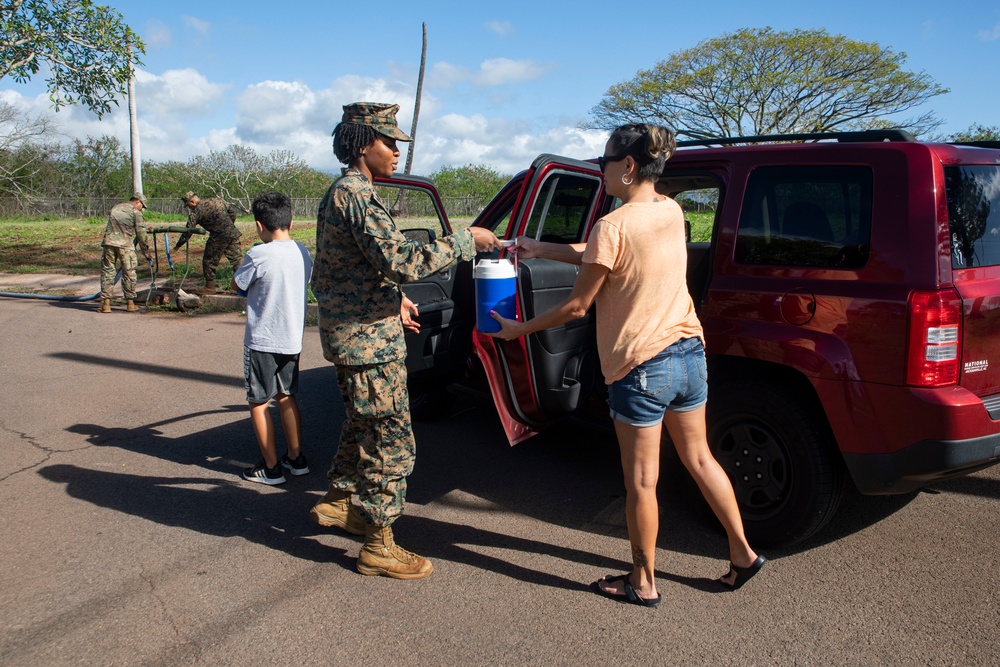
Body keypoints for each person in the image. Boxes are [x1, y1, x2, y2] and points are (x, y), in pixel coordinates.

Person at [490, 123, 764, 607]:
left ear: (629, 166)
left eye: (604, 163)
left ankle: (643, 582)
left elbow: (577, 306)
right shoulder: (671, 210)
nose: (601, 170)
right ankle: (743, 554)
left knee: (642, 481)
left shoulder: (612, 224)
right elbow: (606, 256)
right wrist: (539, 248)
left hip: (641, 368)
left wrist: (518, 331)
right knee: (701, 459)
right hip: (689, 356)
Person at [310, 102, 499, 579]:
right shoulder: (356, 194)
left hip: (357, 333)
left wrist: (393, 299)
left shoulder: (345, 193)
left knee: (361, 425)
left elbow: (349, 268)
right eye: (389, 142)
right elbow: (399, 260)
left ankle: (339, 502)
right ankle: (377, 543)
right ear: (362, 143)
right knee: (391, 441)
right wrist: (464, 241)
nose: (396, 152)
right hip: (367, 344)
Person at [231, 190, 314, 486]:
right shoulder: (302, 252)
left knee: (258, 402)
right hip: (292, 340)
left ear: (258, 225)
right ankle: (296, 458)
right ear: (291, 222)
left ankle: (270, 468)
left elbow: (238, 285)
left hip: (262, 341)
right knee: (287, 396)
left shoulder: (257, 254)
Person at [175, 191, 242, 294]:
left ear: (192, 202)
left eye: (188, 205)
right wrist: (229, 225)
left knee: (209, 261)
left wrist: (177, 246)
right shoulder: (217, 201)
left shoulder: (196, 212)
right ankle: (244, 286)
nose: (189, 208)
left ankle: (210, 287)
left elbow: (187, 232)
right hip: (232, 233)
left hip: (218, 237)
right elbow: (232, 211)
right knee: (237, 260)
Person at [98, 193, 152, 313]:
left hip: (109, 243)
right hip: (125, 245)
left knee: (107, 272)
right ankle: (130, 303)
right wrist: (146, 252)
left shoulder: (116, 207)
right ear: (138, 202)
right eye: (142, 206)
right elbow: (141, 234)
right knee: (129, 272)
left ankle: (106, 305)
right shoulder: (135, 212)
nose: (142, 209)